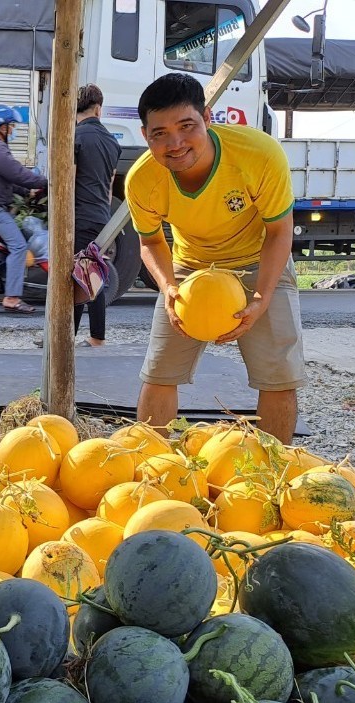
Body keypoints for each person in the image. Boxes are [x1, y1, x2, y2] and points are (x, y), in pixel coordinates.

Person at [125, 73, 305, 443]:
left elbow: (279, 231)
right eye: (160, 133)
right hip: (190, 271)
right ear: (146, 136)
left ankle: (273, 470)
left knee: (279, 377)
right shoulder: (141, 179)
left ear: (208, 118)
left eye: (186, 126)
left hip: (259, 261)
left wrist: (261, 299)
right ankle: (147, 462)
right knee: (159, 371)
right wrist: (169, 288)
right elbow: (151, 243)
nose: (175, 144)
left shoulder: (258, 154)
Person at [0, 105, 48, 313]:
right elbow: (16, 173)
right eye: (12, 126)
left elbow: (7, 180)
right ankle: (12, 298)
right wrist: (45, 182)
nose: (13, 130)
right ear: (2, 127)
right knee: (19, 246)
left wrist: (26, 192)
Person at [73, 84, 122, 347]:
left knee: (88, 275)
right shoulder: (111, 142)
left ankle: (96, 338)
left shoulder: (76, 136)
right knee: (83, 272)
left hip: (78, 214)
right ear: (98, 108)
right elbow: (110, 184)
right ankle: (70, 334)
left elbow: (70, 178)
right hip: (100, 216)